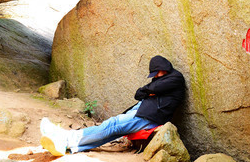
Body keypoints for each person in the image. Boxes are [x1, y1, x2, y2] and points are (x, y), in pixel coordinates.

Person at [40, 55, 185, 156]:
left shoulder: (176, 78)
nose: (157, 76)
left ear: (165, 67)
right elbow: (138, 94)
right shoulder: (160, 80)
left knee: (113, 124)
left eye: (158, 72)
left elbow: (151, 89)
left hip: (150, 115)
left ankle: (66, 138)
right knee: (113, 130)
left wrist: (150, 90)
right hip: (143, 110)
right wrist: (149, 91)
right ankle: (69, 145)